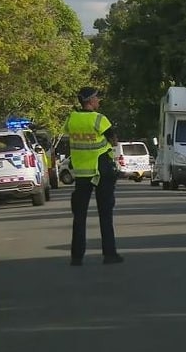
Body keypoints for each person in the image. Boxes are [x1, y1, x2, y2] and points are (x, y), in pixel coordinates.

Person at [64, 87, 123, 266]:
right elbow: (113, 140)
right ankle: (109, 254)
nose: (99, 101)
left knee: (79, 216)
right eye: (97, 98)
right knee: (105, 214)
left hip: (81, 174)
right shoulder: (99, 119)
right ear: (90, 101)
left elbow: (70, 135)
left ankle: (76, 257)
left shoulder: (71, 119)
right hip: (101, 171)